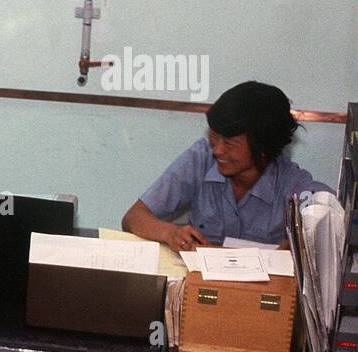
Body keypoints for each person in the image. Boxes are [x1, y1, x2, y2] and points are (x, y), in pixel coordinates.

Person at [122, 80, 331, 251]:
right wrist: (170, 233)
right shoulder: (201, 159)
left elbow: (331, 216)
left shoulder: (291, 184)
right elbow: (133, 217)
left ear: (262, 147)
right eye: (215, 136)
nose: (218, 150)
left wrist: (296, 247)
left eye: (230, 143)